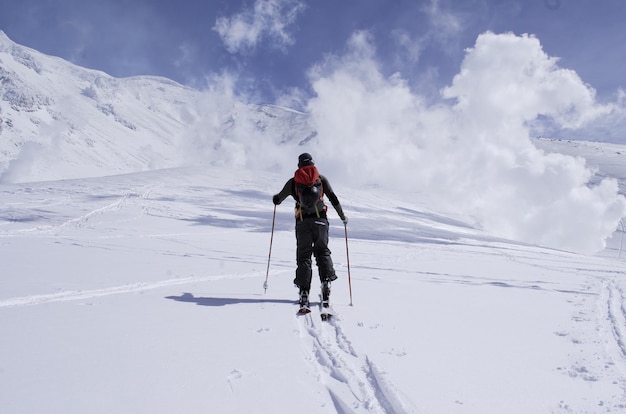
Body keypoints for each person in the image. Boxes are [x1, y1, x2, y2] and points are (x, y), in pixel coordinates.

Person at [272, 153, 348, 309]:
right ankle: (326, 284)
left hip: (302, 222)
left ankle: (304, 291)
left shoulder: (293, 182)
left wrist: (275, 199)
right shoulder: (321, 179)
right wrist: (343, 217)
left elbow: (278, 199)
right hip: (321, 220)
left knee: (304, 256)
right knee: (322, 252)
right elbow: (333, 199)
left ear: (299, 165)